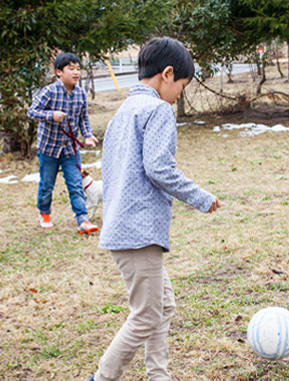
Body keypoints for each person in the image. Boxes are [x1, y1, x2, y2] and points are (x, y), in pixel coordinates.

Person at [89, 37, 221, 381]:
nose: (179, 94)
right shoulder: (158, 109)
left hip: (121, 226)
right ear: (167, 74)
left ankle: (158, 375)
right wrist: (201, 198)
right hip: (138, 231)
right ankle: (101, 378)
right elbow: (159, 168)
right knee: (146, 314)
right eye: (182, 85)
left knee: (164, 306)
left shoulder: (124, 111)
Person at [27, 52, 99, 233]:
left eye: (78, 69)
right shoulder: (50, 91)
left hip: (70, 149)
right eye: (71, 69)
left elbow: (83, 119)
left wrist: (88, 135)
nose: (76, 73)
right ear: (59, 72)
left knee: (75, 184)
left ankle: (82, 220)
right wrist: (51, 115)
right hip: (49, 148)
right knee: (47, 184)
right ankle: (44, 212)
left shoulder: (81, 94)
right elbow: (32, 111)